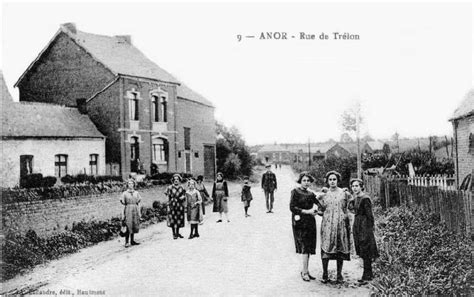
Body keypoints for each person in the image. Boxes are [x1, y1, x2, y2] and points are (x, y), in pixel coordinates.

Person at [318, 170, 352, 283]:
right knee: (326, 247)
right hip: (328, 224)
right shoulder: (324, 195)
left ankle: (339, 274)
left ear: (338, 181)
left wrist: (346, 216)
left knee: (339, 248)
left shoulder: (344, 193)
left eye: (334, 179)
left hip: (340, 224)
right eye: (330, 180)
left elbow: (352, 205)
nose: (332, 182)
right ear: (327, 181)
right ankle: (325, 273)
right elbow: (320, 210)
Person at [289, 172, 324, 282]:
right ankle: (304, 272)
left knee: (308, 246)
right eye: (304, 180)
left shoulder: (311, 194)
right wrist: (307, 211)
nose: (306, 182)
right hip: (300, 222)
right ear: (300, 181)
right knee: (304, 246)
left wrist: (317, 212)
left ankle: (306, 270)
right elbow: (292, 207)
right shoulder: (295, 192)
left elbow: (320, 205)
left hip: (310, 221)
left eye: (308, 180)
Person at [349, 178, 379, 283]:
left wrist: (370, 228)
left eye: (357, 186)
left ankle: (367, 275)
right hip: (357, 224)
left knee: (365, 249)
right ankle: (368, 274)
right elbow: (351, 208)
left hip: (364, 225)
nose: (354, 188)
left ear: (361, 186)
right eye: (353, 186)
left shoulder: (365, 198)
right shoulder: (356, 197)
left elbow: (369, 215)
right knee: (361, 249)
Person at [120, 179, 141, 247]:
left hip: (135, 209)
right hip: (128, 209)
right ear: (127, 185)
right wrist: (123, 214)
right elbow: (123, 204)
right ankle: (126, 242)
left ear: (134, 185)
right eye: (129, 184)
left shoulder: (136, 193)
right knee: (128, 224)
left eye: (132, 183)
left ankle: (132, 241)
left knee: (134, 224)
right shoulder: (124, 193)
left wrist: (139, 212)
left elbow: (138, 203)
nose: (130, 185)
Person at [165, 174, 186, 239]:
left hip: (179, 205)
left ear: (179, 180)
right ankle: (174, 233)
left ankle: (178, 232)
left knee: (179, 218)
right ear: (173, 180)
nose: (176, 181)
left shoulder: (182, 187)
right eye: (175, 179)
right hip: (172, 205)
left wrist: (183, 197)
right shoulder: (170, 187)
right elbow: (168, 196)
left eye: (177, 179)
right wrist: (168, 205)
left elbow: (184, 195)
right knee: (173, 219)